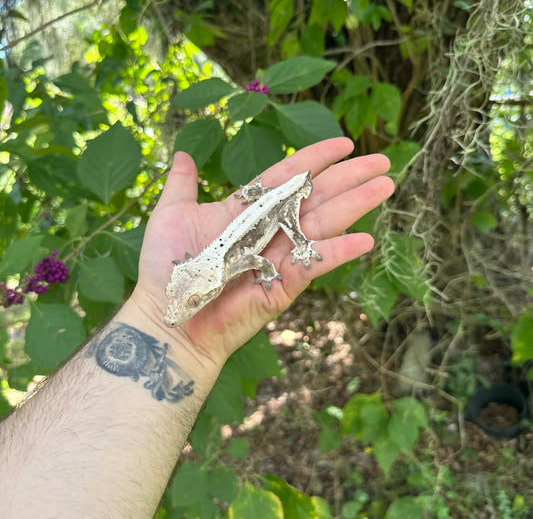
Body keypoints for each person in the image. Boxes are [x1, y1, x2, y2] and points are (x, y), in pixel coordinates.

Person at [0, 137, 394, 518]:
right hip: (266, 200)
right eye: (184, 298)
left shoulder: (229, 266)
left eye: (191, 301)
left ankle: (300, 240)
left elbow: (262, 263)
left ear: (210, 285)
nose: (176, 312)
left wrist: (286, 257)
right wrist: (161, 317)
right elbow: (198, 293)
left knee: (294, 232)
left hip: (281, 201)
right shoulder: (212, 270)